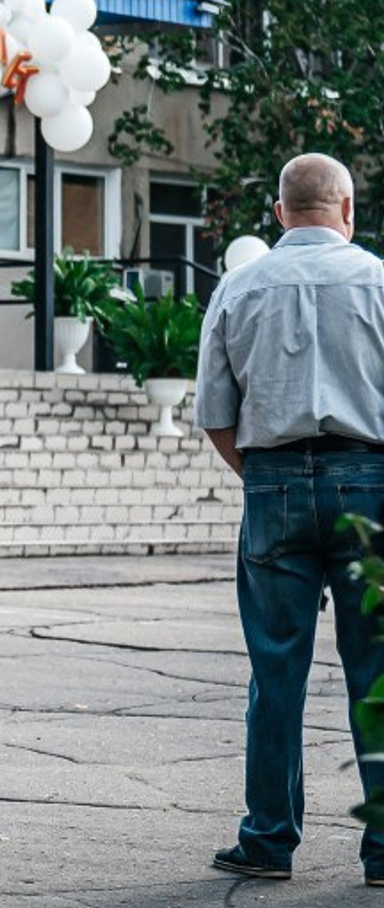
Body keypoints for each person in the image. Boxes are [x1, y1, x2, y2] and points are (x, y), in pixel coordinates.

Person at [195, 153, 384, 887]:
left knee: (276, 674)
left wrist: (267, 478)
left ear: (279, 213)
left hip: (272, 481)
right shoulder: (377, 281)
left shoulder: (241, 285)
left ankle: (269, 841)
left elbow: (215, 412)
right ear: (348, 209)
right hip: (370, 482)